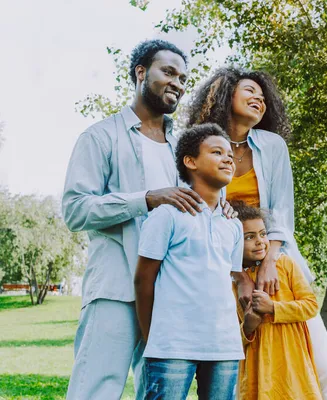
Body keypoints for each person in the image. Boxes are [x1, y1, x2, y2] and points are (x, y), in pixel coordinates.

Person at [62, 40, 234, 399]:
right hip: (115, 288)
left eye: (183, 77)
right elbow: (77, 210)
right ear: (141, 73)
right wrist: (145, 199)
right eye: (168, 72)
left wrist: (222, 209)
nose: (178, 83)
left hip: (170, 297)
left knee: (155, 391)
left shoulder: (182, 147)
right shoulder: (100, 137)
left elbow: (198, 201)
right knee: (96, 388)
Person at [187, 67, 327, 399]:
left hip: (278, 262)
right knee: (237, 375)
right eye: (249, 90)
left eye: (262, 94)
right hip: (218, 271)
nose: (259, 98)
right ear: (226, 94)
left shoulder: (272, 146)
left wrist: (270, 261)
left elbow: (283, 212)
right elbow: (201, 215)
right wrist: (238, 274)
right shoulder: (201, 148)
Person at [135, 123, 244, 400]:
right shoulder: (167, 215)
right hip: (172, 347)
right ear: (190, 161)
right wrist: (153, 339)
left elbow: (229, 281)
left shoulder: (233, 224)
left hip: (224, 347)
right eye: (217, 152)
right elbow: (143, 279)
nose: (228, 158)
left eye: (230, 154)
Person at [233, 201, 322, 400]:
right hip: (258, 367)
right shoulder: (233, 284)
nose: (260, 241)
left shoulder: (285, 265)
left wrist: (273, 307)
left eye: (263, 234)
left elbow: (311, 305)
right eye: (249, 237)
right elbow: (230, 338)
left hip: (292, 360)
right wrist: (247, 328)